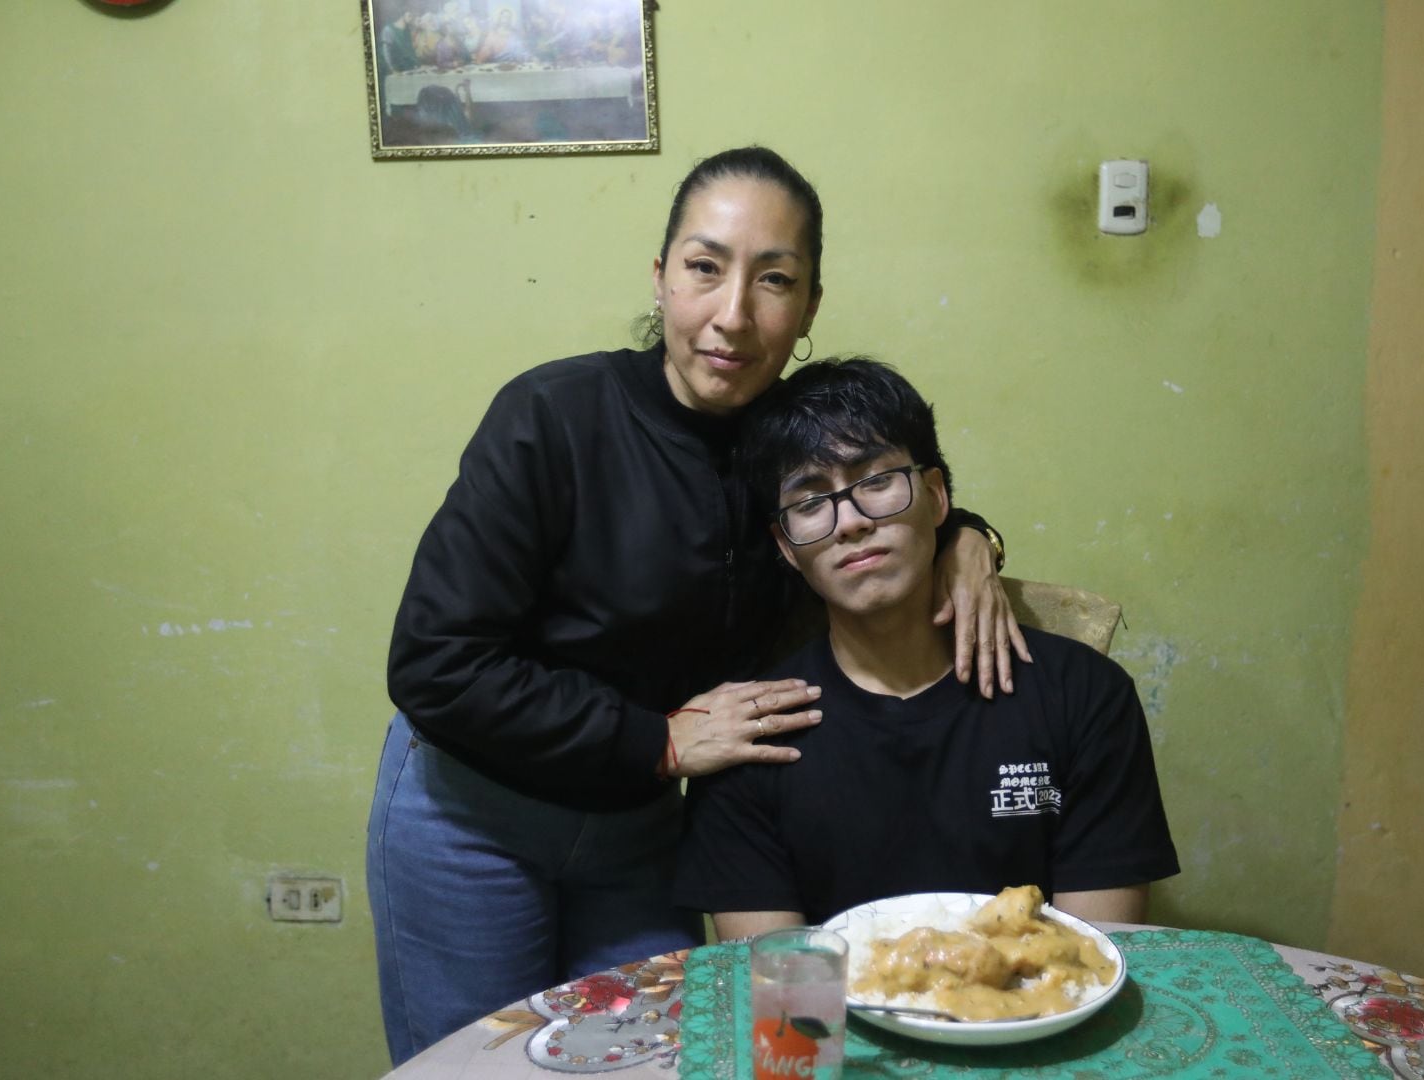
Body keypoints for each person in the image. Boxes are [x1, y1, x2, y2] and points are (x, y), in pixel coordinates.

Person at [366, 147, 1026, 1066]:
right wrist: (663, 741)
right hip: (475, 820)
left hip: (643, 832)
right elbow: (435, 663)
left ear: (809, 308)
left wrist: (969, 542)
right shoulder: (553, 417)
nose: (733, 315)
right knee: (481, 1069)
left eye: (775, 280)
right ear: (662, 278)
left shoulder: (790, 438)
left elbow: (890, 491)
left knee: (655, 1062)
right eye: (705, 268)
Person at [673, 358, 1179, 940]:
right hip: (837, 1025)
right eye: (810, 502)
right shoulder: (752, 736)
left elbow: (1098, 957)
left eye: (875, 482)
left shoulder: (1084, 696)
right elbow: (785, 995)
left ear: (936, 496)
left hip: (1038, 1019)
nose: (850, 522)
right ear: (785, 547)